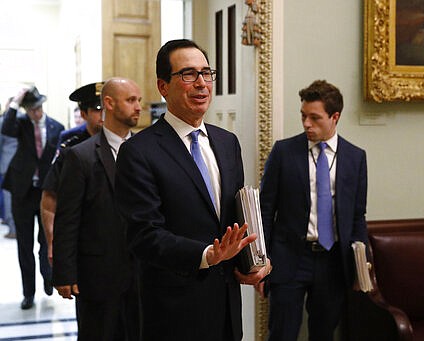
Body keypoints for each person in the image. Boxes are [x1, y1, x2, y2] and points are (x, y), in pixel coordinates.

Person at [114, 39, 272, 341]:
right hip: (174, 312)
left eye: (206, 73)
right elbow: (143, 235)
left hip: (226, 309)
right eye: (188, 74)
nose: (201, 83)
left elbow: (236, 217)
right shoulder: (139, 151)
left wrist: (255, 259)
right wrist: (207, 254)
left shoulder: (227, 143)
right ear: (163, 86)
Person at [258, 80, 369, 341]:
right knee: (281, 333)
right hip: (288, 260)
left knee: (323, 334)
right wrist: (259, 262)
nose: (307, 123)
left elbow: (357, 216)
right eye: (303, 116)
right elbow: (265, 210)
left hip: (333, 262)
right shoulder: (284, 152)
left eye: (315, 117)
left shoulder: (356, 158)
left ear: (335, 117)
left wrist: (359, 266)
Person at [52, 77, 141, 340]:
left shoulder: (148, 150)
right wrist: (64, 273)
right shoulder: (80, 156)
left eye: (138, 100)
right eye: (131, 100)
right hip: (98, 275)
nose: (138, 107)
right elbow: (67, 218)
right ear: (110, 104)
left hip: (142, 274)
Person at [2, 86, 64, 310]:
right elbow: (5, 128)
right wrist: (15, 102)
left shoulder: (57, 127)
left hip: (46, 192)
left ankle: (47, 276)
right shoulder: (20, 125)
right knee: (24, 245)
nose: (35, 113)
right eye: (31, 109)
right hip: (22, 192)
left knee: (46, 241)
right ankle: (28, 292)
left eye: (37, 108)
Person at [40, 82, 104, 265]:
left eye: (107, 108)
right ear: (84, 114)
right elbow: (50, 195)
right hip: (83, 238)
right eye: (98, 109)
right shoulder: (71, 147)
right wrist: (53, 243)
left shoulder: (128, 145)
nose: (104, 115)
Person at [0, 98, 18, 239]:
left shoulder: (4, 123)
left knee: (9, 199)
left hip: (7, 166)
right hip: (20, 167)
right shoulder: (24, 121)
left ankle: (13, 229)